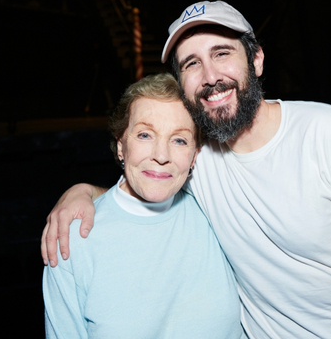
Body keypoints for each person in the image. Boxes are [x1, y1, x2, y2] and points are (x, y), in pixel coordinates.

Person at [43, 1, 331, 339]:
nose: (210, 75)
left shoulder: (328, 133)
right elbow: (145, 179)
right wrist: (79, 192)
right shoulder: (195, 155)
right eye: (192, 63)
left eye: (221, 53)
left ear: (256, 59)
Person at [42, 73, 245, 339]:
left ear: (195, 155)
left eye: (179, 140)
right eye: (145, 135)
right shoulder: (73, 240)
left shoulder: (217, 213)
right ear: (120, 147)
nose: (161, 155)